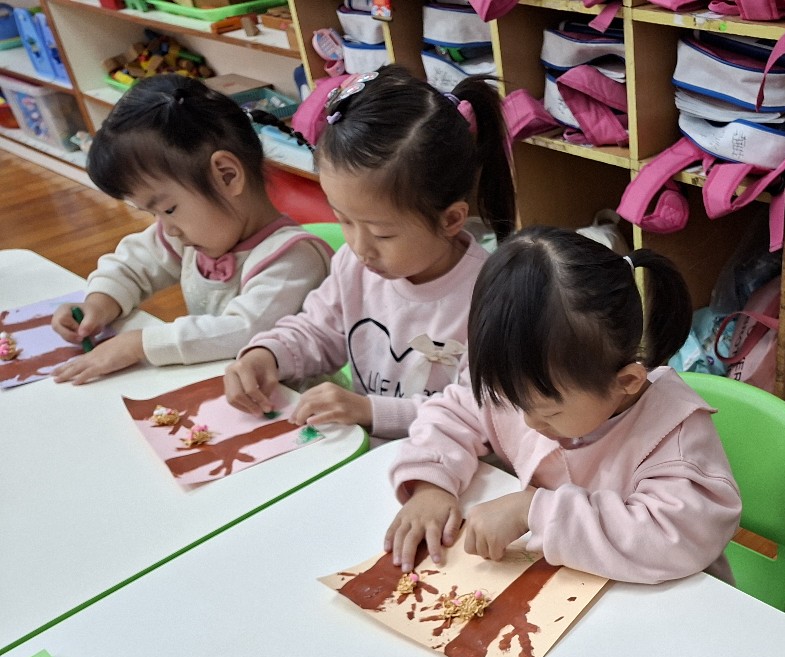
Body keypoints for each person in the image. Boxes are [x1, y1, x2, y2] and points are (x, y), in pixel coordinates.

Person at [384, 226, 742, 584]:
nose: (527, 422)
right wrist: (431, 486)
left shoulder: (674, 436)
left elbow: (669, 539)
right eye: (512, 401)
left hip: (669, 599)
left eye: (549, 413)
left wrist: (532, 511)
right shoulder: (527, 385)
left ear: (626, 382)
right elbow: (454, 412)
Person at [224, 67, 514, 439]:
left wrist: (370, 410)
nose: (360, 248)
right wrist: (267, 355)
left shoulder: (492, 298)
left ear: (451, 220)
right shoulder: (353, 266)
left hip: (449, 459)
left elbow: (480, 412)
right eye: (343, 220)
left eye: (382, 234)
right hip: (364, 451)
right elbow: (316, 330)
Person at [50, 75, 332, 384]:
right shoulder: (193, 234)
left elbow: (244, 331)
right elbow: (134, 263)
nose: (167, 228)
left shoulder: (294, 259)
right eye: (153, 213)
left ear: (226, 176)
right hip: (225, 393)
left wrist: (139, 344)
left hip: (299, 404)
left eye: (168, 209)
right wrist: (100, 301)